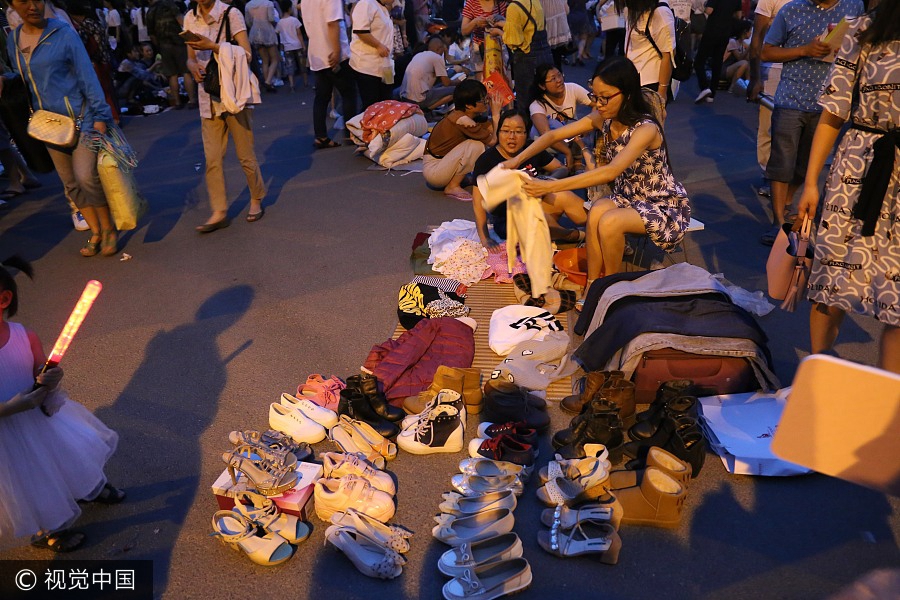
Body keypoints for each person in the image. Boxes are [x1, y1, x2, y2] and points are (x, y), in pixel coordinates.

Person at [502, 57, 690, 289]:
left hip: (661, 204)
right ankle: (593, 284)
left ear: (627, 94)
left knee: (609, 221)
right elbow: (551, 135)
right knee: (597, 211)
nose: (598, 104)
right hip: (629, 198)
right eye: (595, 96)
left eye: (605, 98)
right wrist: (516, 159)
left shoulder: (646, 129)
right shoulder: (605, 119)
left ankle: (610, 287)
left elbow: (610, 172)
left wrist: (549, 186)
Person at [794, 0, 900, 373]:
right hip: (859, 166)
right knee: (832, 279)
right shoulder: (861, 30)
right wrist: (810, 182)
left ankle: (890, 412)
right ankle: (819, 373)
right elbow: (833, 111)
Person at [0, 257, 123, 553]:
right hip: (6, 438)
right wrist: (12, 407)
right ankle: (47, 529)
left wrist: (51, 377)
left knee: (68, 456)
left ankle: (88, 488)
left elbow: (40, 370)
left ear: (3, 299)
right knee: (30, 481)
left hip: (40, 419)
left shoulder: (23, 336)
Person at [2, 0, 121, 257]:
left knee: (86, 177)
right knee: (70, 184)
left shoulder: (63, 33)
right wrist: (7, 79)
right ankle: (96, 231)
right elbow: (20, 75)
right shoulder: (13, 40)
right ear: (12, 6)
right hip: (48, 125)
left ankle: (109, 229)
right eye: (23, 1)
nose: (32, 6)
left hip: (82, 117)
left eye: (37, 0)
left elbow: (86, 75)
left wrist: (101, 116)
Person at [758, 0, 863, 245]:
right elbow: (767, 51)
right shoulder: (791, 10)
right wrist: (804, 50)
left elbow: (861, 45)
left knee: (806, 165)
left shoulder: (854, 6)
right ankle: (778, 222)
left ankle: (787, 204)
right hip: (790, 98)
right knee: (781, 162)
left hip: (830, 103)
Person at [184, 0, 267, 231]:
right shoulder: (190, 17)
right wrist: (192, 66)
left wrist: (214, 46)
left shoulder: (231, 14)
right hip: (208, 95)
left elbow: (247, 54)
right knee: (212, 158)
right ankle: (219, 210)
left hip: (233, 95)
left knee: (245, 154)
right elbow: (189, 57)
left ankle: (255, 198)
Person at [473, 109, 586, 248]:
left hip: (538, 204)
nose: (511, 137)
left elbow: (561, 168)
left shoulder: (531, 149)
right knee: (535, 219)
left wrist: (544, 182)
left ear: (526, 134)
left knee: (563, 196)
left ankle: (598, 226)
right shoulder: (486, 160)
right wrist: (485, 238)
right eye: (506, 131)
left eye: (519, 131)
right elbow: (478, 204)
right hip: (508, 219)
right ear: (498, 133)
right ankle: (568, 234)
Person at [423, 78, 499, 201]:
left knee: (477, 140)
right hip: (435, 171)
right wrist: (496, 114)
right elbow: (492, 141)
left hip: (439, 164)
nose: (486, 102)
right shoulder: (463, 121)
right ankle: (453, 186)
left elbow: (489, 129)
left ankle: (457, 178)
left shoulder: (462, 114)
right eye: (482, 100)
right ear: (468, 105)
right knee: (476, 145)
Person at [745, 0, 791, 198]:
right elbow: (757, 38)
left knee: (791, 128)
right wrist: (755, 77)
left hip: (799, 71)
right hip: (771, 70)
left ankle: (785, 176)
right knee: (768, 127)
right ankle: (768, 174)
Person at [301, 0, 357, 149]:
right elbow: (332, 23)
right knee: (349, 94)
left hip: (316, 53)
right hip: (333, 53)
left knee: (322, 97)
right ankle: (351, 135)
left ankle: (321, 136)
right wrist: (337, 50)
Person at [528, 63, 592, 171]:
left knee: (577, 124)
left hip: (570, 137)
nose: (559, 80)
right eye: (553, 79)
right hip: (549, 142)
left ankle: (577, 161)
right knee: (543, 128)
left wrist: (589, 124)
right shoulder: (537, 104)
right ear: (542, 86)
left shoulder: (572, 88)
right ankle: (547, 162)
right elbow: (546, 133)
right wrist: (567, 153)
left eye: (559, 75)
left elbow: (597, 104)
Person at [618, 0, 674, 116]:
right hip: (631, 79)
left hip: (651, 83)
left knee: (648, 128)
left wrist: (661, 93)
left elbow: (667, 56)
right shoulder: (630, 9)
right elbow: (629, 46)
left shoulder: (660, 12)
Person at [146, 0, 198, 108]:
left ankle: (177, 102)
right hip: (178, 42)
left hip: (164, 45)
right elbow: (181, 21)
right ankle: (192, 100)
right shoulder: (169, 4)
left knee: (172, 74)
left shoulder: (150, 11)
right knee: (186, 72)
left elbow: (151, 34)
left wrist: (158, 46)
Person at [503, 0, 553, 108]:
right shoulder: (535, 1)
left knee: (526, 102)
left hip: (527, 59)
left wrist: (498, 32)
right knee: (545, 98)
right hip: (545, 54)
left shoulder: (513, 7)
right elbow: (527, 27)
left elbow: (514, 41)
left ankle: (528, 124)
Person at [692, 0, 742, 103]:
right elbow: (738, 15)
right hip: (725, 32)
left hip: (712, 31)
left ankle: (705, 87)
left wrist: (706, 5)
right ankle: (712, 93)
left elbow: (709, 11)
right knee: (717, 62)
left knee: (699, 61)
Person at [349, 0, 394, 109]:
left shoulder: (382, 7)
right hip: (368, 66)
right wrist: (378, 45)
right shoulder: (366, 3)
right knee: (371, 106)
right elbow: (361, 31)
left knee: (387, 101)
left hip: (386, 65)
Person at [397, 36, 459, 110]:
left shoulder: (419, 55)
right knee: (457, 90)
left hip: (404, 97)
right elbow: (446, 83)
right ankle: (427, 110)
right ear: (439, 48)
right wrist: (458, 82)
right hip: (419, 100)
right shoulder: (437, 57)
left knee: (436, 87)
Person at [244, 0, 280, 92]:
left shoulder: (248, 5)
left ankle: (267, 82)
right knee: (275, 59)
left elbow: (248, 22)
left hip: (255, 32)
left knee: (264, 60)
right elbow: (271, 18)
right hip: (268, 31)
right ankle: (268, 81)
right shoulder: (268, 3)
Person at [275, 0, 305, 90]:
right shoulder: (294, 20)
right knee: (302, 64)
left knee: (290, 66)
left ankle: (292, 85)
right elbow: (299, 33)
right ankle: (306, 82)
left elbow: (278, 33)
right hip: (297, 45)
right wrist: (303, 45)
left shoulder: (280, 22)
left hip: (287, 47)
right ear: (289, 8)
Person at [720, 19, 751, 95]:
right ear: (745, 32)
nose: (751, 33)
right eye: (750, 31)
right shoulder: (733, 42)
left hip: (731, 68)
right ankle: (732, 87)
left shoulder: (742, 43)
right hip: (723, 69)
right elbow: (739, 58)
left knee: (749, 62)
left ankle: (748, 83)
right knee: (744, 63)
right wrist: (749, 48)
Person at [541, 0, 571, 70]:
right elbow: (567, 11)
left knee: (546, 61)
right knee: (557, 59)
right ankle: (558, 75)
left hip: (546, 31)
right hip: (559, 30)